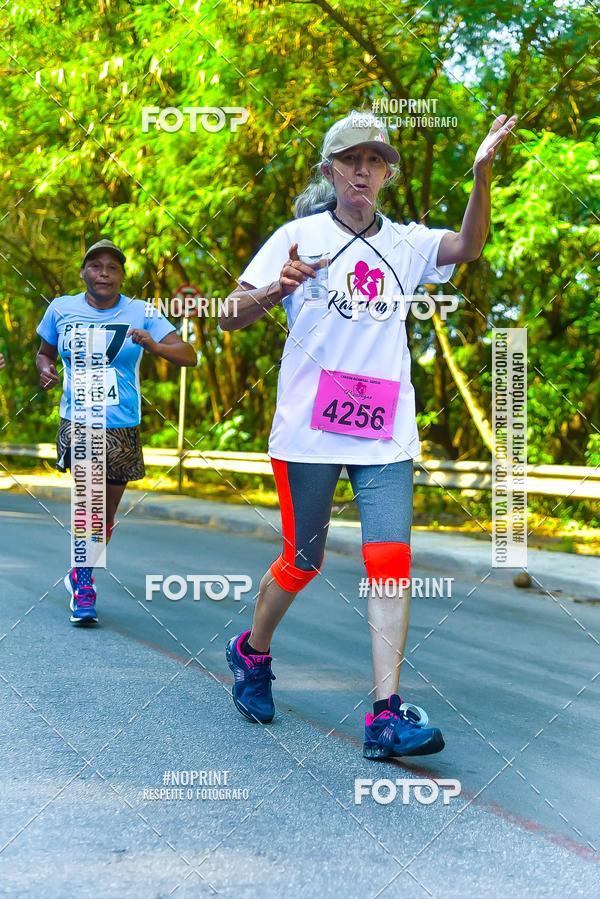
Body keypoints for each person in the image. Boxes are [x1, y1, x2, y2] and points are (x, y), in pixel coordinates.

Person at [219, 109, 516, 759]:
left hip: (384, 432)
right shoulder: (297, 235)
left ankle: (384, 713)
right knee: (304, 560)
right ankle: (252, 652)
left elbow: (468, 247)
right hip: (307, 433)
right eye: (350, 159)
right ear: (330, 172)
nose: (362, 169)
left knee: (390, 565)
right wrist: (277, 286)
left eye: (374, 160)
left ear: (386, 173)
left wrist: (481, 175)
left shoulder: (407, 243)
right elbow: (229, 316)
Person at [36, 239, 197, 625]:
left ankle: (80, 571)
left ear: (122, 276)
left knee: (104, 514)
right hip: (79, 420)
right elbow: (44, 351)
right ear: (83, 273)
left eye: (112, 267)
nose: (103, 273)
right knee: (89, 502)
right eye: (95, 266)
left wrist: (155, 345)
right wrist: (45, 368)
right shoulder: (61, 309)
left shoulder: (142, 312)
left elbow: (189, 355)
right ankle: (86, 584)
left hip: (122, 423)